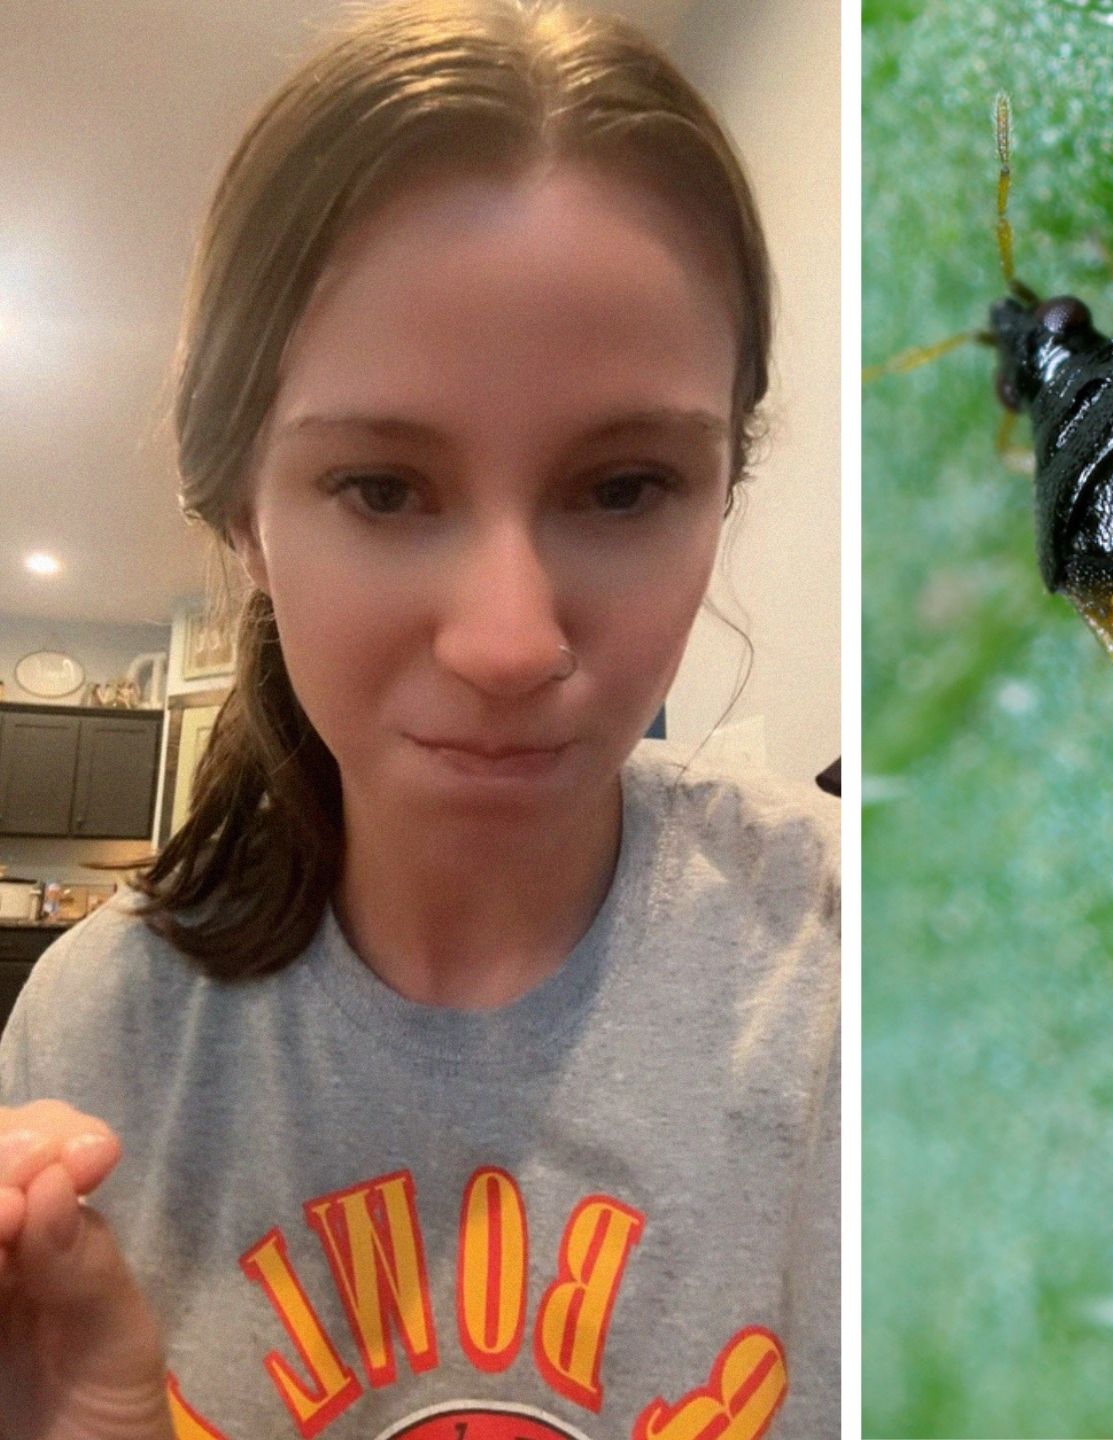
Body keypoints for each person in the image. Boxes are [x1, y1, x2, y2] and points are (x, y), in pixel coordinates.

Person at [0, 3, 837, 1435]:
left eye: (623, 486)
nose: (509, 643)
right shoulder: (102, 1040)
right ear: (244, 519)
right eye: (383, 490)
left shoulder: (858, 970)